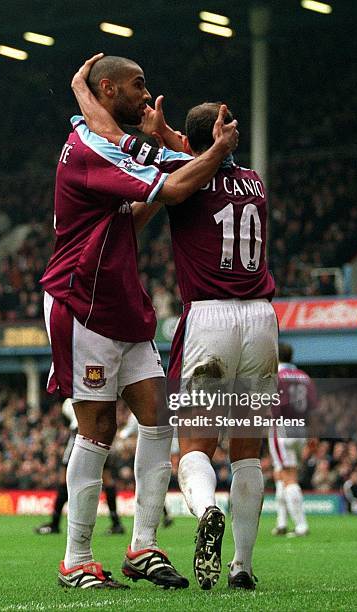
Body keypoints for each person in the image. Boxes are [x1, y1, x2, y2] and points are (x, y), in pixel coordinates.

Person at [71, 61, 277, 591]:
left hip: (210, 316)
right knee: (248, 453)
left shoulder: (193, 177)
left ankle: (204, 509)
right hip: (262, 320)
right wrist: (175, 136)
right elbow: (196, 153)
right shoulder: (253, 182)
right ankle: (243, 568)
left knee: (192, 449)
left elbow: (162, 162)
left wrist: (155, 135)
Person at [41, 54, 238, 590]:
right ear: (109, 89)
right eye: (138, 86)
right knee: (97, 428)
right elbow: (173, 190)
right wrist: (218, 151)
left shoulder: (101, 140)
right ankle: (76, 558)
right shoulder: (90, 149)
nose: (146, 96)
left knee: (158, 418)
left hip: (122, 300)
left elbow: (137, 210)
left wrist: (173, 154)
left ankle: (143, 547)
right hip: (83, 301)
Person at [35, 399, 124, 536]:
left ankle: (55, 523)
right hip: (101, 433)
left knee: (64, 478)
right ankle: (116, 523)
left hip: (80, 433)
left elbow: (69, 418)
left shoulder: (69, 401)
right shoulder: (96, 393)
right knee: (106, 477)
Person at [268, 343, 317, 537]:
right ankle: (281, 522)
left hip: (281, 429)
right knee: (281, 473)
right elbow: (313, 408)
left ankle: (301, 525)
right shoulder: (304, 377)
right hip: (301, 429)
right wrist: (314, 435)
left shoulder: (275, 377)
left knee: (288, 476)